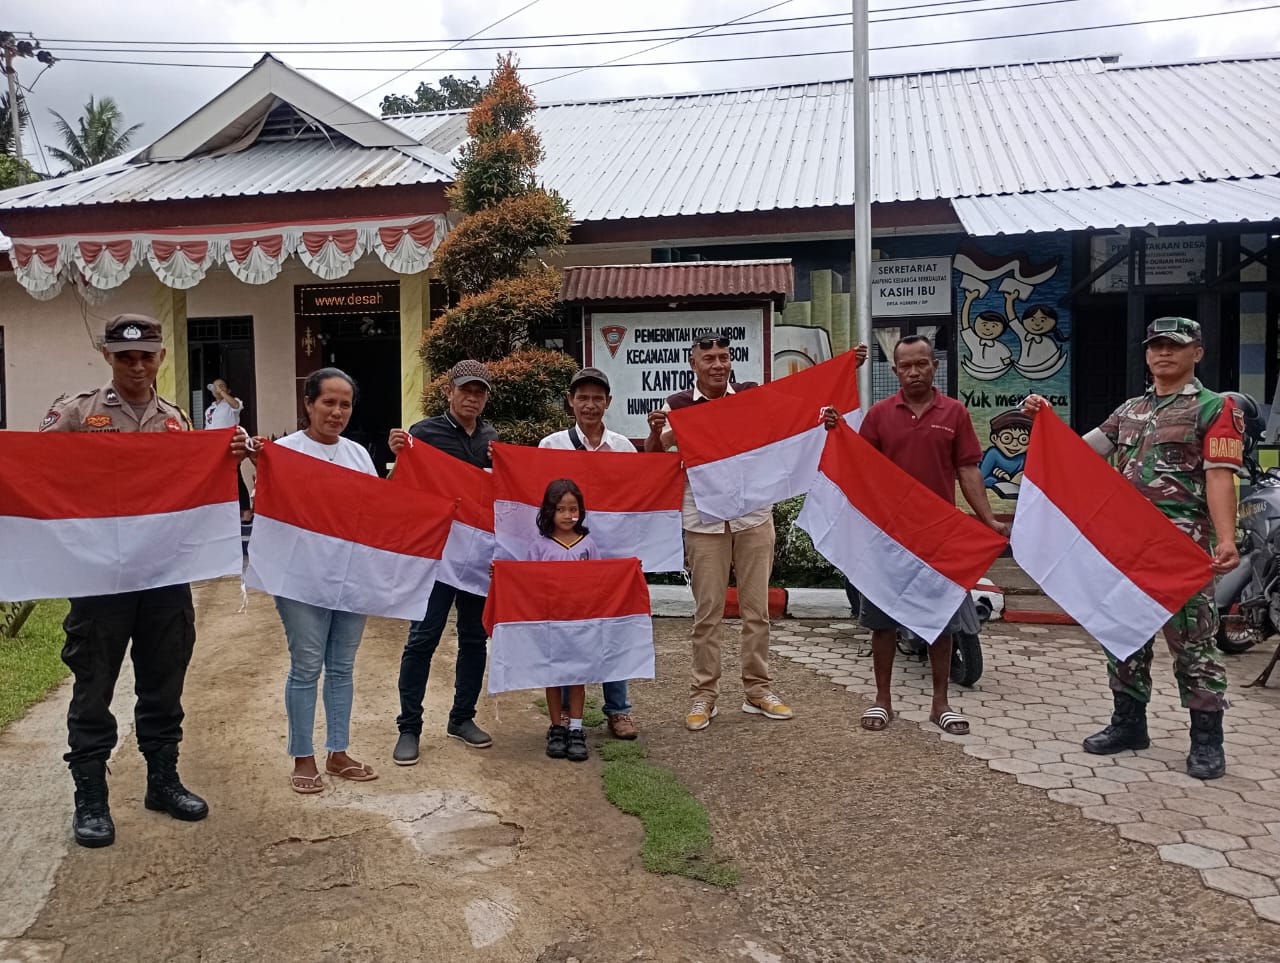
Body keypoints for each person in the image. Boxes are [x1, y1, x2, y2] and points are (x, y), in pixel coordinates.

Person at [1024, 317, 1242, 780]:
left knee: (1194, 644)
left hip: (1182, 550)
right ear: (1146, 354)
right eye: (1156, 346)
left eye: (1174, 346)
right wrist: (1045, 423)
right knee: (1122, 635)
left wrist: (1226, 538)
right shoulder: (1129, 411)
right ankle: (1128, 723)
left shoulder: (1213, 408)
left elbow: (1220, 476)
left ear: (1197, 353)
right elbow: (1079, 453)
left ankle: (1207, 740)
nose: (1163, 353)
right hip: (1126, 550)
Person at [39, 313, 214, 848]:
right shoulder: (77, 413)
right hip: (101, 578)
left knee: (165, 680)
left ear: (161, 356)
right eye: (124, 356)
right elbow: (39, 471)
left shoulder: (176, 421)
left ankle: (162, 781)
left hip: (163, 576)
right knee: (94, 685)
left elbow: (191, 486)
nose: (136, 366)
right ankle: (91, 797)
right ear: (107, 356)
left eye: (145, 356)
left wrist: (224, 457)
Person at [646, 331, 866, 731]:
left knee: (757, 611)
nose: (717, 364)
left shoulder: (751, 395)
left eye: (723, 357)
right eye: (708, 358)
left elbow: (800, 407)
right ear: (693, 364)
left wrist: (843, 370)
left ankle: (757, 689)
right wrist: (667, 429)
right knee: (707, 613)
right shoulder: (677, 405)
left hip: (752, 516)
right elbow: (657, 452)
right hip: (704, 520)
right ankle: (703, 695)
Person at [857, 334, 1009, 737]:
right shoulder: (878, 416)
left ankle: (940, 703)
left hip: (938, 535)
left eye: (921, 363)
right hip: (890, 537)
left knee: (941, 620)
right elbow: (860, 468)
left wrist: (989, 519)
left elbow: (968, 469)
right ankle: (882, 699)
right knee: (882, 623)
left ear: (934, 365)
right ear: (895, 371)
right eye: (905, 366)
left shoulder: (954, 413)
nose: (914, 372)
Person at [245, 368, 380, 794]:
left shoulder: (359, 455)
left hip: (350, 578)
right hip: (300, 579)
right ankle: (303, 756)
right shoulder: (284, 452)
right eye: (329, 402)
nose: (337, 412)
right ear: (308, 403)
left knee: (341, 667)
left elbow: (377, 512)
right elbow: (268, 511)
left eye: (345, 404)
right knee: (306, 666)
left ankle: (338, 752)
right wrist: (262, 464)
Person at [387, 360, 499, 765]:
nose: (473, 397)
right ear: (449, 391)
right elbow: (401, 490)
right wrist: (401, 456)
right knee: (422, 638)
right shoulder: (423, 434)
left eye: (480, 391)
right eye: (466, 389)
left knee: (474, 638)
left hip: (475, 555)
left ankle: (462, 718)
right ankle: (409, 727)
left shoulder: (491, 438)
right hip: (435, 554)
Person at [538, 366, 641, 740]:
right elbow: (537, 503)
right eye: (582, 397)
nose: (590, 405)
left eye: (598, 398)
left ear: (608, 402)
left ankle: (619, 710)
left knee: (614, 630)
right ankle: (566, 713)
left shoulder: (624, 448)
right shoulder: (551, 447)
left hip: (611, 558)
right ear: (570, 401)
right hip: (565, 562)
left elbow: (638, 500)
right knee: (568, 632)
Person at [525, 478, 601, 762]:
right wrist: (501, 575)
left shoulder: (588, 545)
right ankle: (557, 727)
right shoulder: (540, 546)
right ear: (549, 511)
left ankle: (577, 729)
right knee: (554, 676)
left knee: (578, 676)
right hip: (551, 624)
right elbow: (527, 582)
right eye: (561, 509)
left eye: (573, 509)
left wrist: (628, 571)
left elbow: (601, 579)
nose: (568, 515)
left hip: (580, 624)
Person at [205, 379, 253, 522]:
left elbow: (237, 406)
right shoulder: (210, 409)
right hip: (214, 448)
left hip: (230, 446)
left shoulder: (231, 403)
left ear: (228, 390)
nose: (218, 388)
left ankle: (245, 511)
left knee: (235, 477)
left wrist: (223, 393)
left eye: (221, 386)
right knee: (217, 480)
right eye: (215, 386)